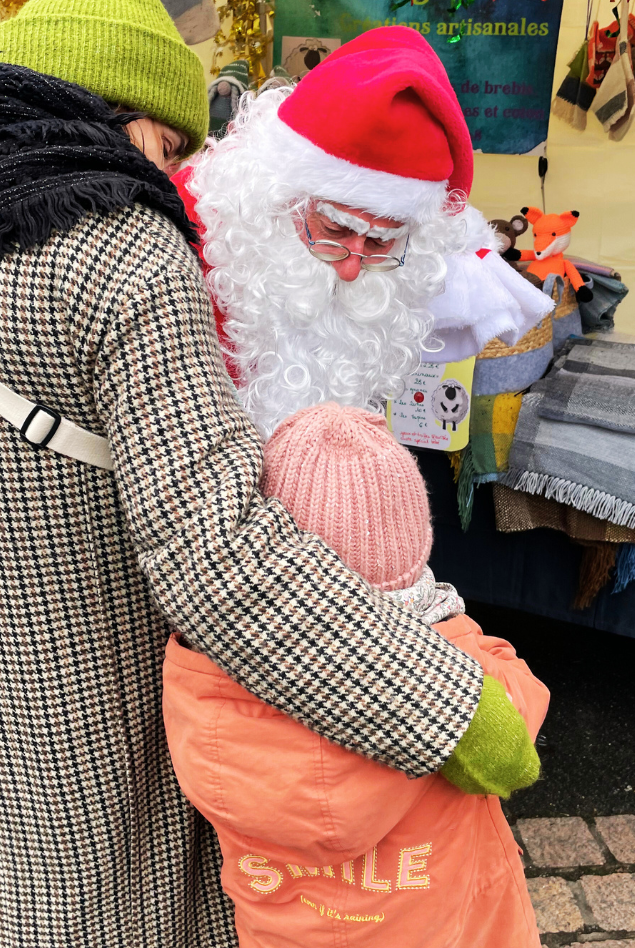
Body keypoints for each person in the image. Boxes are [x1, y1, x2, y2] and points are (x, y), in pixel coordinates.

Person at [0, 0, 529, 947]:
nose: (173, 172)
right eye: (173, 142)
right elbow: (216, 548)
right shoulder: (118, 245)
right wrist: (448, 709)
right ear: (137, 118)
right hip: (125, 727)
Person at [163, 402, 550, 948]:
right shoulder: (449, 663)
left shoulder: (198, 678)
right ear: (414, 545)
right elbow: (521, 708)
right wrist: (459, 629)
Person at [177, 26, 551, 440]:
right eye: (335, 229)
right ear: (285, 199)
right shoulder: (191, 229)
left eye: (379, 242)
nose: (353, 268)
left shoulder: (412, 261)